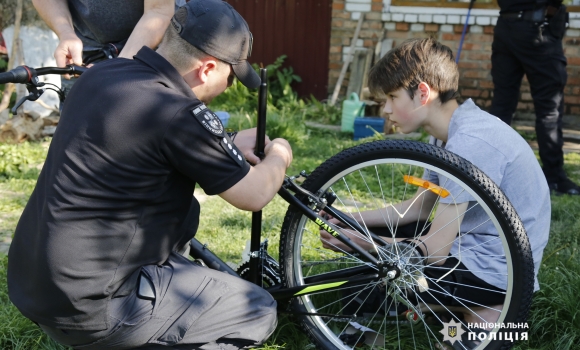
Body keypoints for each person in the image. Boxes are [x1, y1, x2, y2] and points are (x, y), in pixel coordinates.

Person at [7, 1, 292, 349]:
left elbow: (144, 143)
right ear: (206, 69)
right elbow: (254, 194)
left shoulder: (101, 76)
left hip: (36, 288)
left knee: (184, 216)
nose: (229, 85)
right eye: (229, 77)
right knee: (257, 308)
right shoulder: (179, 112)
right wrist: (279, 154)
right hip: (94, 311)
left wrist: (226, 142)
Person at [319, 38, 550, 347]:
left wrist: (368, 244)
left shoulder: (470, 143)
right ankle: (469, 315)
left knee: (365, 285)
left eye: (391, 96)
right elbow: (418, 208)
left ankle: (481, 313)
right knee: (375, 262)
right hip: (477, 249)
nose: (386, 109)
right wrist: (351, 219)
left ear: (423, 93)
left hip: (498, 270)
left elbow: (437, 249)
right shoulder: (448, 136)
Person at [489, 0, 578, 195]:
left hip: (506, 27)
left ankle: (488, 170)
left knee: (502, 103)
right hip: (536, 30)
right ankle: (553, 177)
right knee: (549, 108)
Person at [31, 0, 175, 93]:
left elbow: (159, 11)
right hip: (83, 54)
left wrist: (117, 67)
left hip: (153, 51)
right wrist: (66, 33)